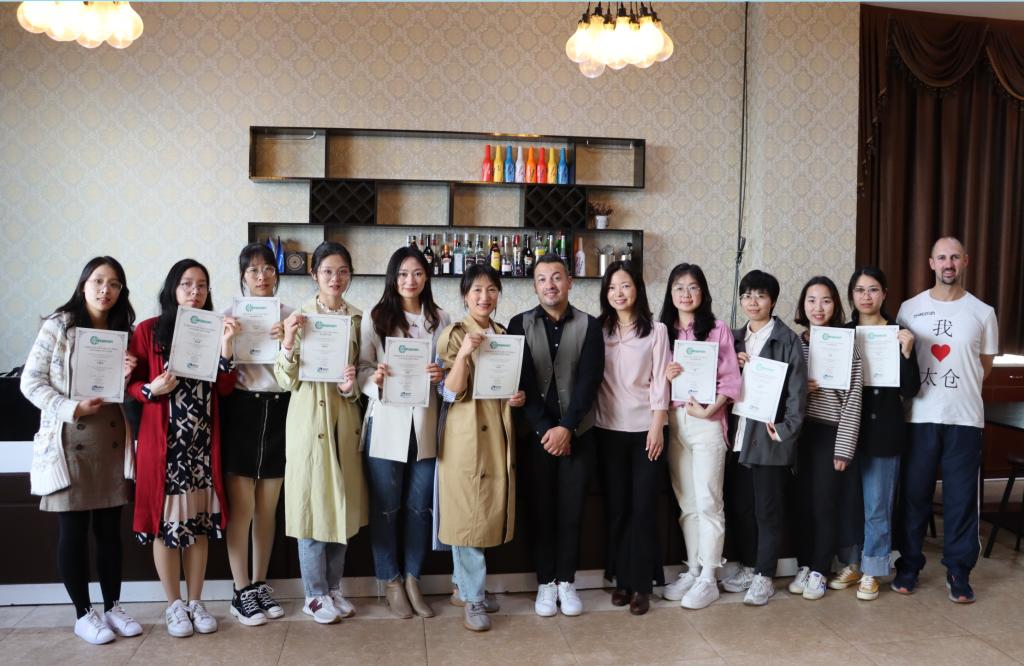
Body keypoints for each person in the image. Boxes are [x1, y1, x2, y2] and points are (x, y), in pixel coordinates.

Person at [21, 256, 142, 645]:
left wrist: (128, 375)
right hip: (69, 440)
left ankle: (113, 607)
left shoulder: (124, 330)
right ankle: (82, 614)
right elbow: (31, 381)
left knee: (109, 532)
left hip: (111, 441)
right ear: (83, 284)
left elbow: (131, 394)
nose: (106, 290)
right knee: (73, 531)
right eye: (98, 281)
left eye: (114, 284)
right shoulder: (60, 325)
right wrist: (71, 407)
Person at [127, 259, 238, 637]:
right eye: (187, 284)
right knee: (167, 527)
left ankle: (196, 602)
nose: (195, 291)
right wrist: (149, 389)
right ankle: (174, 605)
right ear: (172, 289)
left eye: (202, 285)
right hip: (166, 448)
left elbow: (225, 387)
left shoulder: (214, 328)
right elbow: (130, 383)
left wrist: (226, 347)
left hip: (202, 446)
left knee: (199, 525)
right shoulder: (148, 331)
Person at [894, 237, 998, 603]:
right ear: (931, 263)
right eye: (942, 257)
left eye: (954, 257)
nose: (948, 263)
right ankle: (909, 565)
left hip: (964, 419)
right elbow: (901, 361)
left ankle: (959, 571)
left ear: (965, 261)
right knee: (913, 496)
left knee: (961, 499)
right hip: (919, 416)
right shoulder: (910, 308)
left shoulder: (983, 312)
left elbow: (984, 366)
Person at [507, 254, 604, 618]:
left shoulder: (590, 325)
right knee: (541, 510)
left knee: (572, 511)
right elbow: (521, 382)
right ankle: (545, 582)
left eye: (557, 277)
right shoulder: (519, 324)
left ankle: (567, 580)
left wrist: (567, 428)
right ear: (535, 286)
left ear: (570, 282)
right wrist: (546, 429)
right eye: (542, 279)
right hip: (536, 437)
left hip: (579, 434)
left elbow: (590, 382)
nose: (550, 285)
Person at [275, 241, 367, 624]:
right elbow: (285, 380)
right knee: (312, 510)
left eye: (342, 271)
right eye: (328, 271)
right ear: (314, 275)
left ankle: (333, 588)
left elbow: (360, 377)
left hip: (343, 422)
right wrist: (288, 341)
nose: (335, 278)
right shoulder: (298, 317)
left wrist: (351, 386)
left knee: (341, 509)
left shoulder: (358, 319)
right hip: (309, 422)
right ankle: (313, 595)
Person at [357, 246, 449, 619]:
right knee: (386, 508)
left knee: (419, 508)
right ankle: (390, 581)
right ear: (392, 278)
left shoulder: (441, 318)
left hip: (425, 425)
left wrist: (441, 375)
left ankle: (413, 578)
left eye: (417, 273)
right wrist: (375, 379)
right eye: (403, 274)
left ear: (427, 277)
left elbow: (449, 371)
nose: (410, 280)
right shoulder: (375, 317)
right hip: (387, 424)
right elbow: (361, 368)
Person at [436, 263, 526, 632]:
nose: (484, 297)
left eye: (491, 290)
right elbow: (450, 392)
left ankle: (464, 587)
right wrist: (462, 355)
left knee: (482, 512)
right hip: (466, 436)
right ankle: (474, 598)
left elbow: (506, 385)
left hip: (496, 435)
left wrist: (516, 397)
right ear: (465, 296)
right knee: (467, 515)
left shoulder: (504, 335)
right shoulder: (454, 334)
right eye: (476, 290)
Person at [828, 266, 920, 601]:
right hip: (847, 430)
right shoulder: (841, 333)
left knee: (877, 504)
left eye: (873, 290)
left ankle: (874, 567)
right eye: (860, 290)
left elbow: (911, 389)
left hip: (884, 430)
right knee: (850, 503)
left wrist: (907, 354)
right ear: (851, 295)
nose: (866, 296)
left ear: (884, 294)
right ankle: (853, 563)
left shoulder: (899, 334)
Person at [721, 269, 806, 606]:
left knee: (767, 510)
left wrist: (785, 430)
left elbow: (798, 394)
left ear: (772, 300)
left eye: (760, 295)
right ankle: (748, 566)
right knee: (741, 508)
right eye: (746, 295)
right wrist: (734, 365)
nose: (752, 302)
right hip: (737, 436)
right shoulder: (733, 339)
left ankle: (764, 576)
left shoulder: (787, 340)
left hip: (768, 438)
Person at [659, 263, 741, 610]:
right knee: (688, 503)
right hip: (675, 421)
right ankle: (692, 569)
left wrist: (710, 411)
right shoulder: (662, 332)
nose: (686, 294)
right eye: (679, 287)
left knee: (709, 501)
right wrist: (665, 375)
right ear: (670, 293)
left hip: (707, 422)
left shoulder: (717, 329)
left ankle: (709, 576)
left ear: (703, 292)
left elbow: (732, 381)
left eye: (693, 287)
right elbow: (651, 380)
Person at [594, 260, 670, 616]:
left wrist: (657, 425)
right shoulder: (599, 330)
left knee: (643, 508)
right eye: (612, 287)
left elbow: (661, 380)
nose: (618, 293)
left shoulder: (656, 330)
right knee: (618, 508)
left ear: (637, 288)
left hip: (645, 430)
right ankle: (621, 579)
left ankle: (641, 585)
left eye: (625, 285)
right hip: (607, 430)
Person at [220, 243, 292, 626]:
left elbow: (301, 369)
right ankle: (240, 589)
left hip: (280, 410)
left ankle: (261, 583)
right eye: (253, 270)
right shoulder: (228, 316)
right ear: (243, 277)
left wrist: (290, 340)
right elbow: (218, 374)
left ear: (276, 274)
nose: (261, 276)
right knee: (242, 508)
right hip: (242, 410)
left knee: (268, 506)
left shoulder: (292, 316)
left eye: (267, 269)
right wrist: (228, 341)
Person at [788, 276, 863, 601]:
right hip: (799, 433)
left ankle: (820, 569)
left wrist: (844, 448)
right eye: (811, 300)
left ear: (836, 305)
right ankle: (804, 564)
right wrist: (798, 388)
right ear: (802, 305)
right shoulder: (793, 343)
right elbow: (780, 390)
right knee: (801, 504)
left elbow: (854, 398)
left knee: (824, 503)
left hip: (832, 431)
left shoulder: (847, 343)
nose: (818, 307)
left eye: (826, 300)